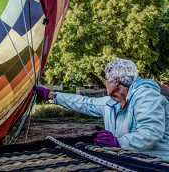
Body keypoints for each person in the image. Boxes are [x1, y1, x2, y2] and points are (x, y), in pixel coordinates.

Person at [35, 57, 169, 160]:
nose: (105, 83)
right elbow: (85, 103)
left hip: (157, 162)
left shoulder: (147, 96)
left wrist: (118, 142)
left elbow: (152, 133)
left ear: (116, 81)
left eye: (106, 79)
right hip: (128, 160)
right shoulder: (112, 103)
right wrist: (52, 95)